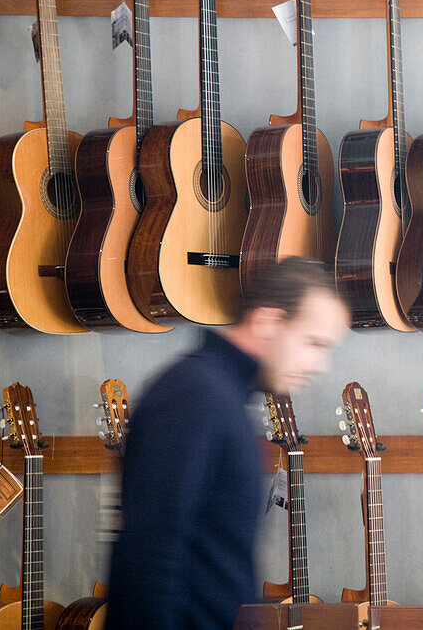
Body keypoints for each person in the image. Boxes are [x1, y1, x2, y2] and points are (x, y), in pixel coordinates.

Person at [105, 257, 351, 630]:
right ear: (268, 322)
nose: (321, 365)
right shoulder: (194, 395)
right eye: (314, 342)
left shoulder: (227, 395)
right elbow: (150, 556)